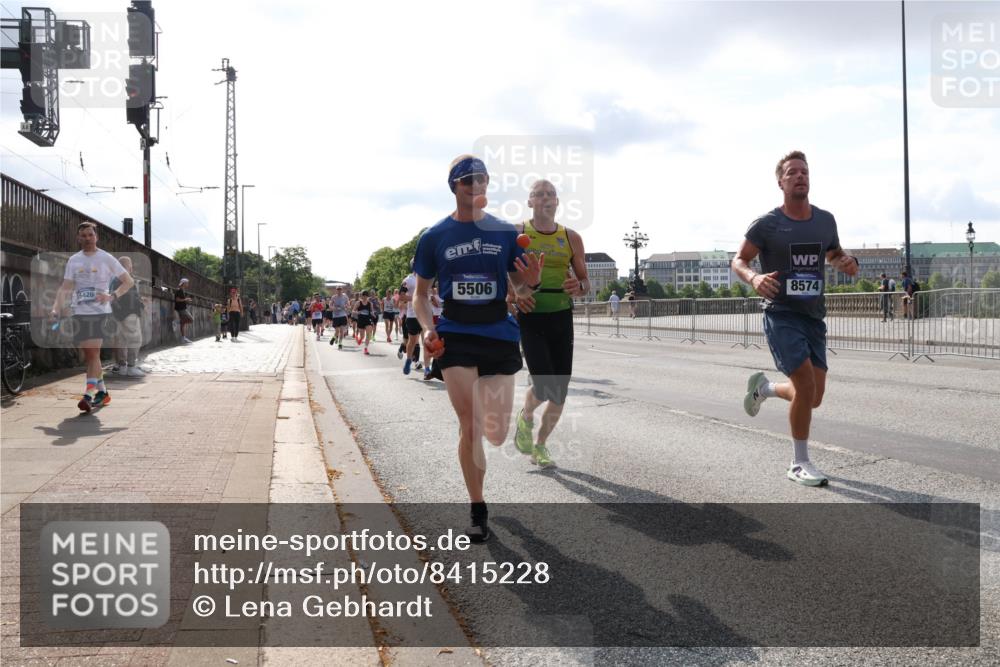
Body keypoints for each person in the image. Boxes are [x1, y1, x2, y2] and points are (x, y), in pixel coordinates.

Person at [413, 154, 542, 542]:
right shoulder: (434, 237)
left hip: (500, 334)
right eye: (468, 180)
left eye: (482, 179)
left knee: (496, 433)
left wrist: (529, 282)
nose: (476, 186)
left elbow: (519, 291)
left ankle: (493, 438)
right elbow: (421, 295)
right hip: (456, 335)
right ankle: (477, 507)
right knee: (469, 425)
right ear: (454, 186)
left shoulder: (506, 232)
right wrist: (426, 329)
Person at [732, 150, 859, 487]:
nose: (800, 176)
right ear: (781, 182)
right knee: (804, 384)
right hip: (781, 312)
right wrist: (754, 279)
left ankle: (765, 389)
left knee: (813, 396)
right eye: (792, 172)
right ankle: (799, 462)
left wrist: (847, 262)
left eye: (804, 171)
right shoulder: (767, 224)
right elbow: (739, 260)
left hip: (814, 316)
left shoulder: (825, 220)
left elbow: (833, 253)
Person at [511, 179, 589, 468]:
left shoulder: (571, 237)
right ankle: (526, 416)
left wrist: (577, 286)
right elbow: (505, 273)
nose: (545, 198)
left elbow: (585, 281)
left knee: (560, 390)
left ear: (557, 202)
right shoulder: (518, 233)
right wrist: (516, 297)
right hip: (531, 314)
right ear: (530, 202)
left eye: (551, 194)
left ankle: (540, 446)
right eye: (538, 194)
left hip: (560, 314)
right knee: (544, 385)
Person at [50, 222, 135, 412]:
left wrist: (112, 296)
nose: (87, 238)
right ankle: (103, 392)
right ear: (79, 238)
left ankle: (88, 395)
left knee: (93, 352)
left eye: (90, 235)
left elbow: (128, 281)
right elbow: (66, 287)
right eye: (84, 236)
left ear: (96, 237)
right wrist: (56, 307)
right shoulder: (74, 260)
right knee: (89, 356)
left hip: (100, 313)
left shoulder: (106, 258)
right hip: (79, 312)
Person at [109, 255, 145, 377]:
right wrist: (139, 304)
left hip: (117, 314)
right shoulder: (127, 278)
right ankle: (131, 367)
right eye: (130, 266)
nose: (131, 269)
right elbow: (130, 298)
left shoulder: (114, 279)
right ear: (129, 267)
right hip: (129, 313)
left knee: (121, 340)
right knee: (135, 340)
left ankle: (122, 366)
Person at [174, 277, 193, 343]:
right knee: (191, 319)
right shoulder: (179, 290)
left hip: (183, 308)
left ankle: (183, 338)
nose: (188, 284)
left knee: (184, 323)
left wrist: (186, 300)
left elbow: (180, 300)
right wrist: (186, 299)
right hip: (181, 309)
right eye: (187, 283)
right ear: (183, 283)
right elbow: (177, 299)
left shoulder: (182, 290)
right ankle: (179, 323)